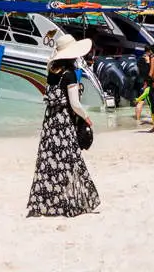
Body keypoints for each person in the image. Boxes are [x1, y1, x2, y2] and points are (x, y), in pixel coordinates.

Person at [26, 34, 100, 217]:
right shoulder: (69, 75)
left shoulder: (52, 71)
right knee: (70, 161)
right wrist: (87, 117)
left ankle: (51, 200)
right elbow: (75, 104)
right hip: (63, 122)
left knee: (51, 162)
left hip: (50, 122)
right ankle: (69, 201)